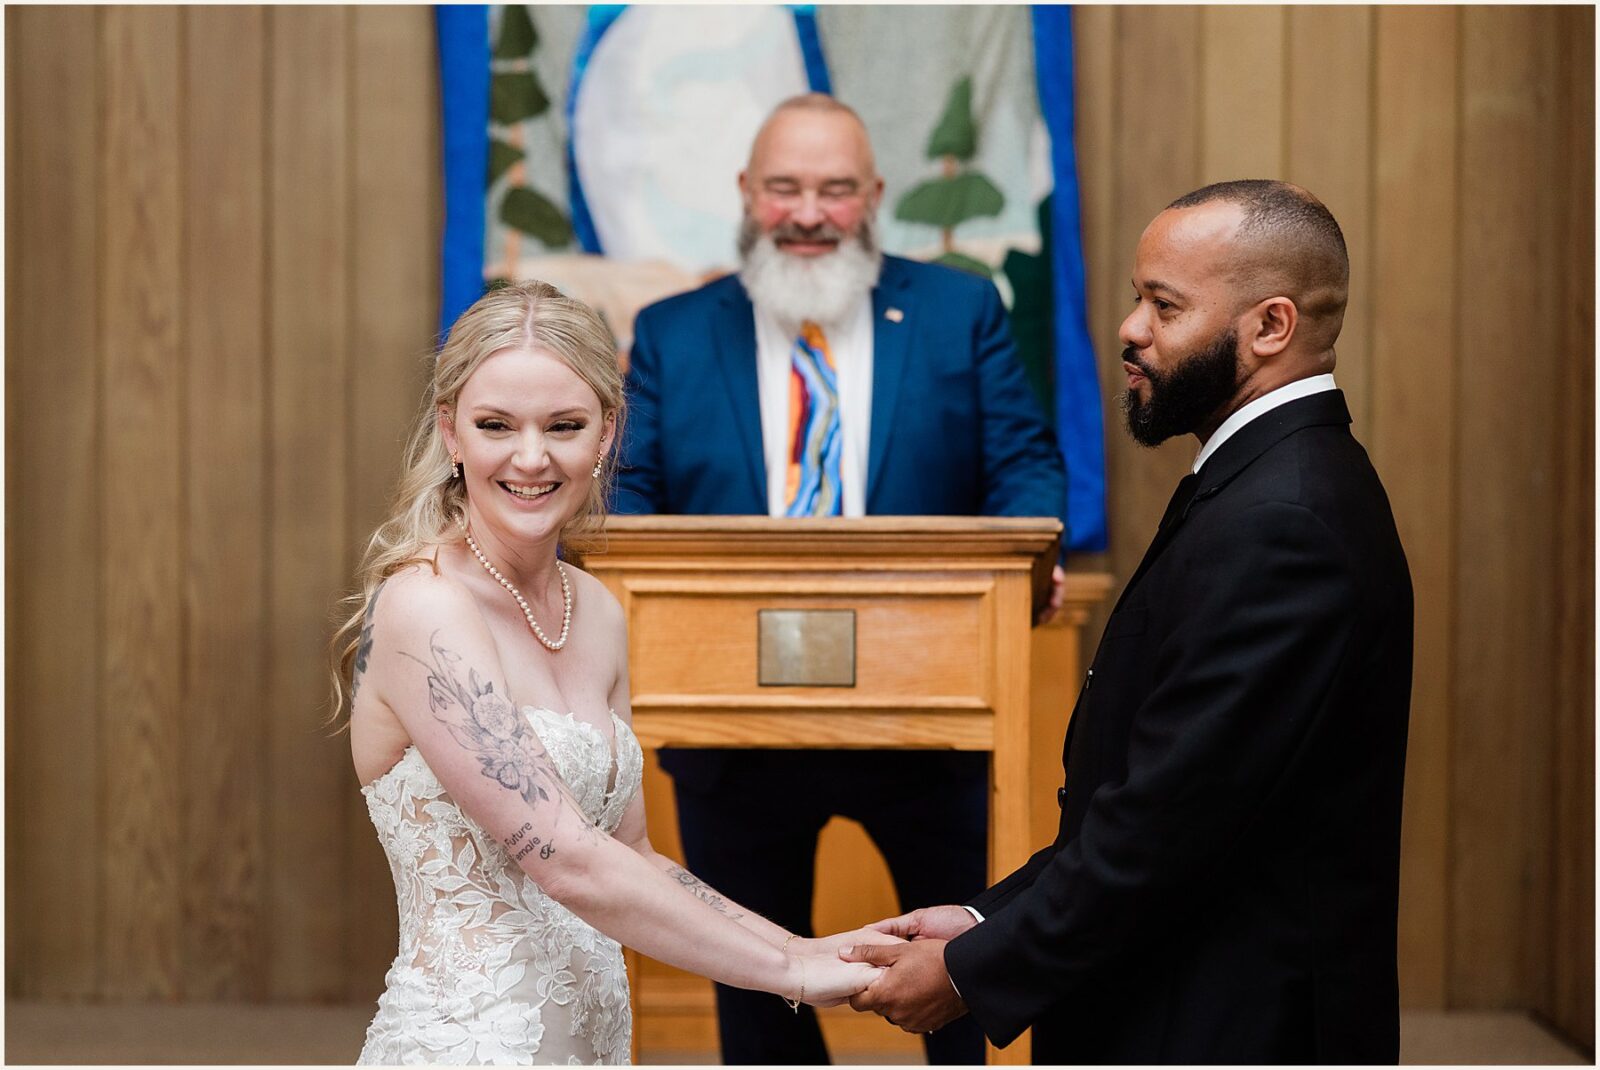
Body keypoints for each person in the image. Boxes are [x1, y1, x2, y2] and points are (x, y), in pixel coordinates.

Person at [842, 180, 1414, 1064]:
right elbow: (1151, 795)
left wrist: (969, 969)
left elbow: (1165, 825)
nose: (1129, 328)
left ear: (1271, 328)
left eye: (1164, 304)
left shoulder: (1284, 519)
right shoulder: (1260, 481)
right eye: (1136, 297)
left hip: (1224, 1024)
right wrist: (985, 915)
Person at [613, 93, 1068, 1065]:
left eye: (834, 189)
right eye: (784, 188)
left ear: (875, 196)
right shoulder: (671, 332)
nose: (809, 212)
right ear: (746, 193)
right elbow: (629, 502)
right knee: (758, 992)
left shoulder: (959, 310)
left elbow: (1024, 467)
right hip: (731, 725)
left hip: (932, 713)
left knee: (959, 969)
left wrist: (1033, 556)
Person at [330, 281, 886, 1065]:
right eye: (496, 426)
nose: (532, 457)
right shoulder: (425, 606)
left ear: (606, 434)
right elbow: (563, 856)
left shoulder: (594, 608)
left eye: (564, 426)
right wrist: (789, 972)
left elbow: (633, 856)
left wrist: (806, 942)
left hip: (593, 1044)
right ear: (451, 432)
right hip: (469, 1044)